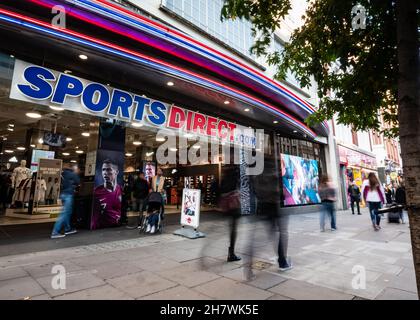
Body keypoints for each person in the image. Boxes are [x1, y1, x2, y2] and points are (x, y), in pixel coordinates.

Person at [218, 165, 242, 262]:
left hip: (226, 204)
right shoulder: (236, 172)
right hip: (233, 204)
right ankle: (231, 253)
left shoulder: (225, 174)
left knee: (232, 228)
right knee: (233, 229)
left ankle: (231, 252)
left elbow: (220, 188)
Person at [51, 163, 80, 239]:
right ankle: (55, 232)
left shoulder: (63, 174)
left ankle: (67, 229)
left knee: (67, 212)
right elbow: (77, 181)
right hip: (68, 195)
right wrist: (76, 173)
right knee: (64, 214)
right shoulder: (72, 174)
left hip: (63, 194)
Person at [91, 159, 123, 229]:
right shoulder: (96, 192)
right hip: (102, 229)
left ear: (116, 172)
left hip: (116, 228)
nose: (105, 173)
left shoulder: (120, 189)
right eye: (103, 170)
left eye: (108, 170)